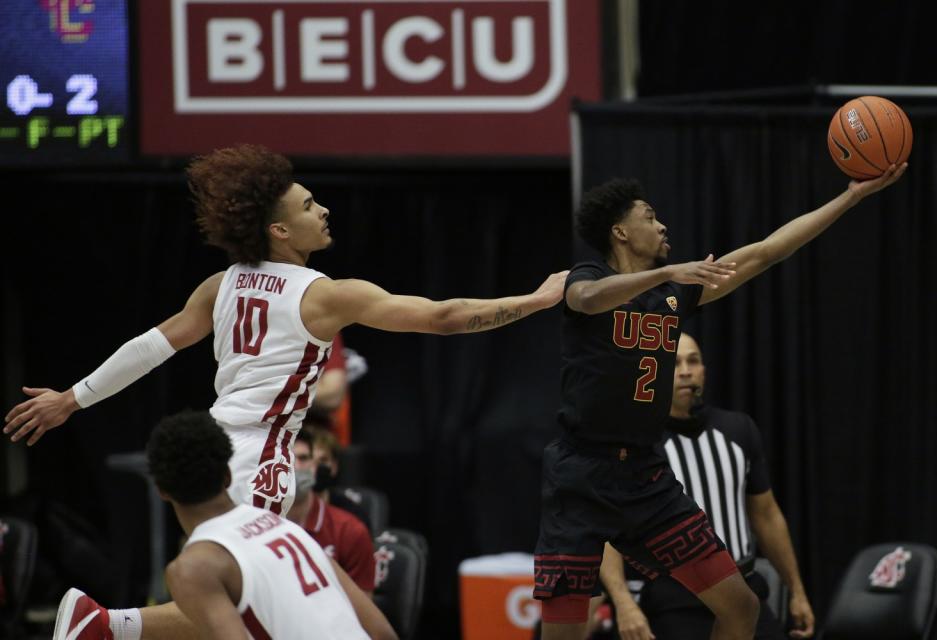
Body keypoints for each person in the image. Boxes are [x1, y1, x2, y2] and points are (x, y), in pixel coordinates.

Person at [3, 144, 566, 639]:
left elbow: (151, 346)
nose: (322, 210)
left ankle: (106, 626)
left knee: (241, 596)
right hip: (258, 456)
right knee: (250, 602)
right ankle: (107, 625)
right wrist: (536, 302)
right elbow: (442, 318)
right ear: (278, 231)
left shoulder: (221, 284)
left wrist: (70, 399)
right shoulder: (321, 294)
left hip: (213, 446)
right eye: (307, 206)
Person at [535, 164, 907, 640]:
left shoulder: (673, 294)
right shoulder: (590, 275)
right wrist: (667, 271)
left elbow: (768, 252)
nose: (662, 225)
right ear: (620, 231)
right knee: (568, 631)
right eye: (650, 217)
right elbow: (586, 299)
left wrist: (851, 197)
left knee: (741, 606)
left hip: (645, 477)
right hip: (579, 475)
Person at [52, 409, 396, 640]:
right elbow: (383, 633)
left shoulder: (195, 566)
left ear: (161, 490)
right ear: (229, 474)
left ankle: (109, 625)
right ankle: (109, 624)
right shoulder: (289, 528)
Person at [600, 333, 815, 639]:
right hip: (675, 598)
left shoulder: (739, 430)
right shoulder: (637, 444)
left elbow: (766, 516)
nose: (686, 370)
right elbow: (609, 531)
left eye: (693, 360)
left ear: (705, 370)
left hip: (744, 589)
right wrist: (624, 604)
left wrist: (797, 590)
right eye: (673, 363)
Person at [287, 428, 376, 596]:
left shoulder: (351, 531)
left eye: (304, 458)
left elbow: (363, 615)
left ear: (315, 466)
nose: (296, 467)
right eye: (288, 458)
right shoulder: (252, 526)